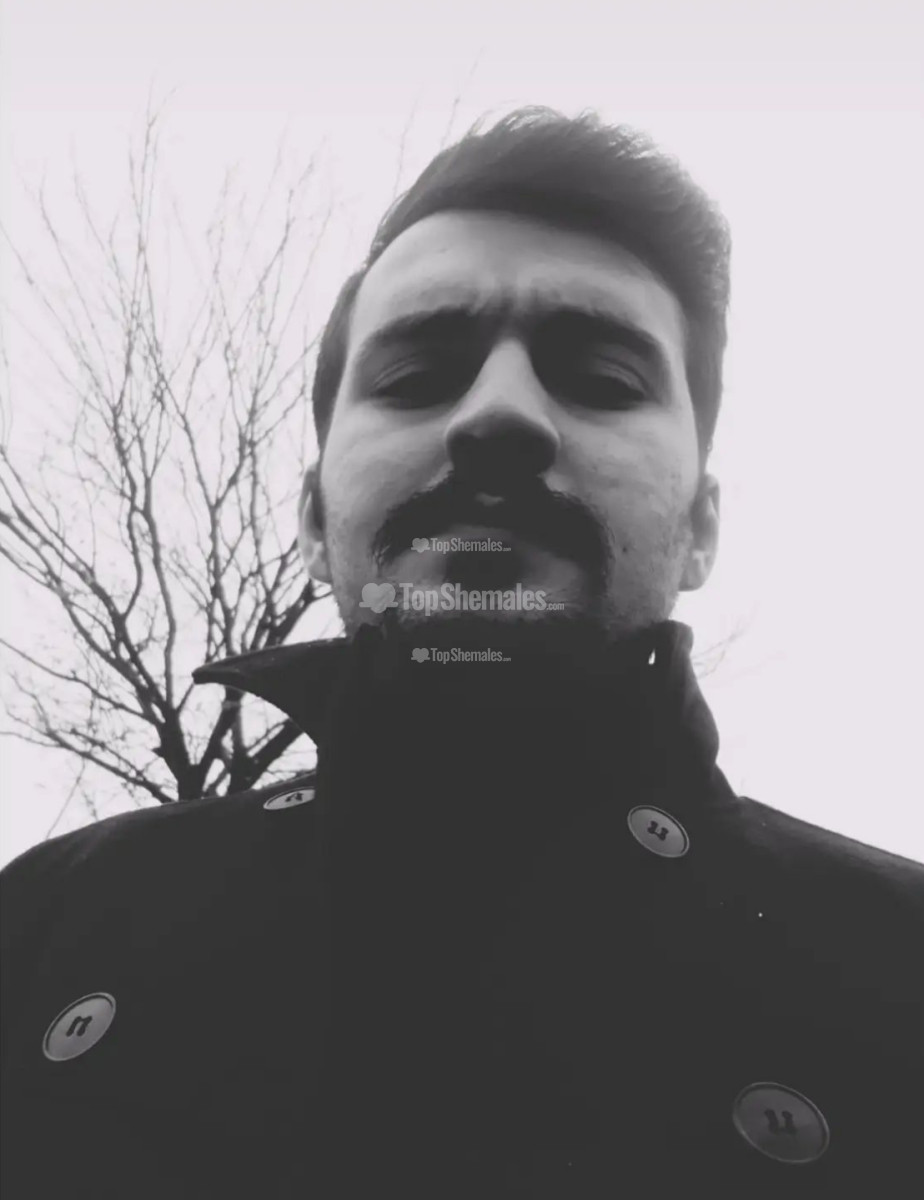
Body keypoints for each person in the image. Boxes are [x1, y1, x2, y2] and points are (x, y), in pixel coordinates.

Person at [1, 107, 922, 1199]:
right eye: (415, 376)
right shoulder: (39, 925)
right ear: (313, 521)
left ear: (700, 530)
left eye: (604, 379)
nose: (497, 415)